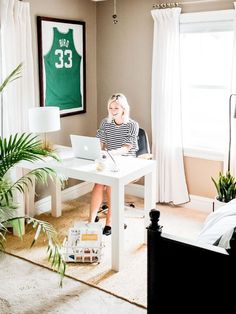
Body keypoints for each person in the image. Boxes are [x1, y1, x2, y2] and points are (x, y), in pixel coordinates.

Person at [89, 93, 139, 236]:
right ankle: (91, 222)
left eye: (116, 107)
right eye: (110, 107)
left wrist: (110, 153)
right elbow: (100, 141)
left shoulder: (132, 125)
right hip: (108, 159)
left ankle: (109, 223)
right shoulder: (105, 122)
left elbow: (126, 148)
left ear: (124, 108)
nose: (113, 110)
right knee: (98, 183)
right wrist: (97, 151)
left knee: (111, 185)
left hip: (126, 161)